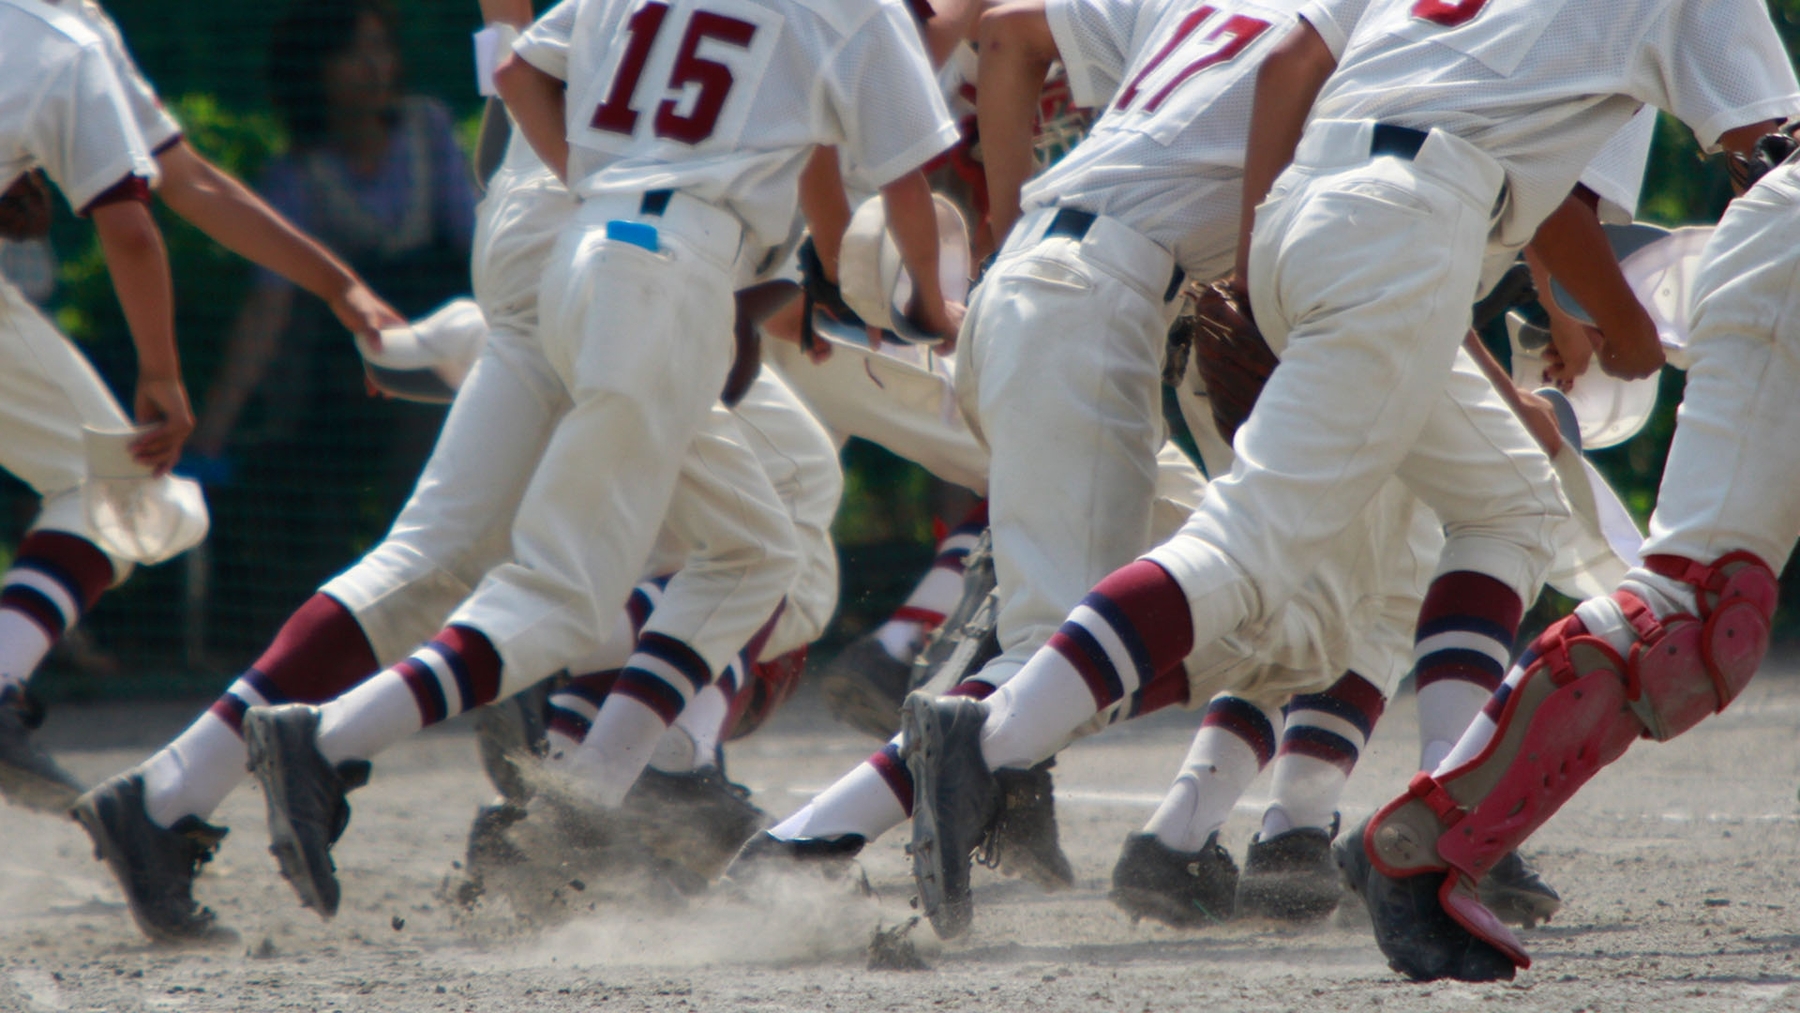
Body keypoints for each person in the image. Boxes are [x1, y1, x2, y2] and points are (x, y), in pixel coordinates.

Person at [229, 0, 961, 920]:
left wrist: (602, 184)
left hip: (592, 257)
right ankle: (327, 737)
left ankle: (584, 805)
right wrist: (933, 312)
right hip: (664, 277)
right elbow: (905, 184)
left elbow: (519, 71)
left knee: (756, 551)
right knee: (563, 589)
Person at [0, 0, 410, 814]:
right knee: (113, 490)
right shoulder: (62, 38)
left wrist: (338, 285)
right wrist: (161, 371)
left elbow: (184, 175)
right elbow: (142, 219)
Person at [192, 0, 477, 652]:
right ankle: (344, 641)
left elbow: (478, 249)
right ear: (313, 70)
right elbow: (268, 309)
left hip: (442, 362)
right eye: (354, 50)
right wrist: (210, 435)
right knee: (306, 481)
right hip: (338, 388)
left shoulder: (429, 131)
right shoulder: (294, 177)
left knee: (433, 424)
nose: (376, 66)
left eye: (382, 47)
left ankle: (431, 628)